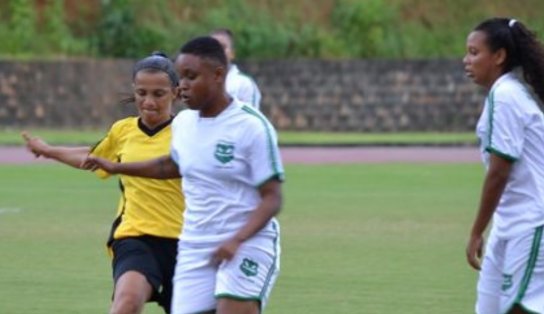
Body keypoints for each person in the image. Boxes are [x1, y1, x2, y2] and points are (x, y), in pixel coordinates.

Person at [82, 36, 284, 314]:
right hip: (196, 243)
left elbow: (273, 199)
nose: (183, 85)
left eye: (191, 77)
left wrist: (236, 240)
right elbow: (171, 166)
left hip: (246, 241)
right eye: (181, 77)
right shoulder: (186, 124)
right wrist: (116, 166)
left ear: (218, 75)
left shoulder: (250, 126)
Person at [22, 52, 184, 314]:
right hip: (136, 236)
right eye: (142, 93)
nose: (148, 101)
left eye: (159, 94)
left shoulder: (190, 130)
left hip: (188, 243)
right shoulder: (123, 130)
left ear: (175, 93)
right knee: (127, 303)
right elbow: (94, 157)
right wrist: (48, 150)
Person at [463, 17, 544, 314]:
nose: (466, 60)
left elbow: (499, 172)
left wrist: (475, 231)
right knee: (489, 308)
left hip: (533, 222)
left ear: (498, 56)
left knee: (519, 309)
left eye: (474, 53)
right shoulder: (503, 93)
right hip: (508, 224)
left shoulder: (507, 97)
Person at [210, 28, 262, 110]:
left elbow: (252, 119)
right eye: (213, 47)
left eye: (223, 47)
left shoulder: (244, 84)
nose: (217, 51)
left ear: (232, 54)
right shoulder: (201, 82)